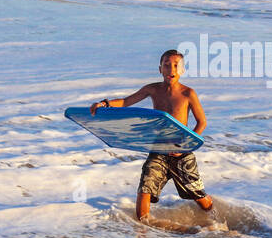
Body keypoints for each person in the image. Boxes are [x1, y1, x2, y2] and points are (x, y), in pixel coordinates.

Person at [89, 49, 214, 222]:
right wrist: (105, 103)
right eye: (166, 65)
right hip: (159, 149)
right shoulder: (153, 89)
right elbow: (127, 102)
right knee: (144, 190)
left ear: (183, 70)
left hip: (181, 151)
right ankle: (144, 233)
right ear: (160, 69)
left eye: (176, 66)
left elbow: (202, 123)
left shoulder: (188, 93)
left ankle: (217, 222)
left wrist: (184, 146)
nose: (171, 70)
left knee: (199, 197)